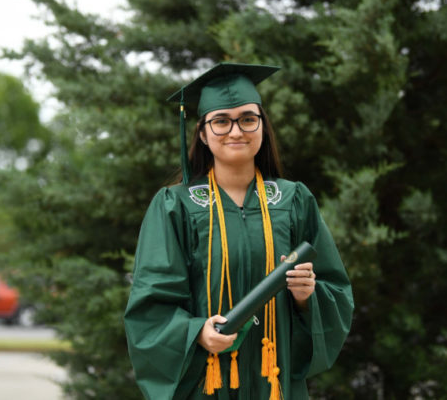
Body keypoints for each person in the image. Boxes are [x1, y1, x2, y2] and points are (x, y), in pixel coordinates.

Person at [124, 63, 353, 400]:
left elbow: (335, 290)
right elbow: (150, 305)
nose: (236, 131)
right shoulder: (176, 207)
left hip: (275, 383)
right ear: (202, 133)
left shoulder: (294, 201)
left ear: (262, 127)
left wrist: (307, 298)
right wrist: (195, 332)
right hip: (207, 383)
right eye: (221, 121)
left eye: (248, 119)